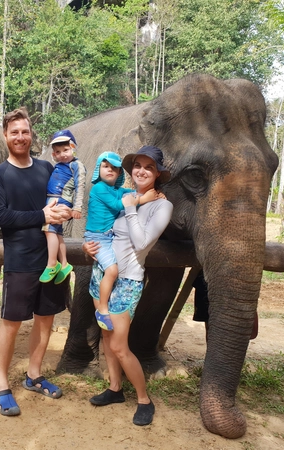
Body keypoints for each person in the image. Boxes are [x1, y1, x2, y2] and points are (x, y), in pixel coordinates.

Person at [0, 108, 72, 416]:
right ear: (5, 136)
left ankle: (34, 375)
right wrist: (41, 215)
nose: (20, 137)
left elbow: (59, 202)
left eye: (25, 131)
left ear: (31, 134)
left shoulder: (47, 169)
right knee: (10, 324)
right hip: (20, 261)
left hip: (51, 263)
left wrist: (63, 211)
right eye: (14, 132)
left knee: (45, 319)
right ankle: (1, 385)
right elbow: (0, 216)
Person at [83, 145, 173, 426]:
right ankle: (115, 388)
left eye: (149, 167)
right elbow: (105, 228)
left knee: (120, 345)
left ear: (158, 174)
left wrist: (132, 209)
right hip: (103, 273)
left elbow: (142, 242)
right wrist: (89, 246)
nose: (141, 171)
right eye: (137, 166)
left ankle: (144, 399)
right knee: (107, 336)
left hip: (127, 281)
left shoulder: (162, 206)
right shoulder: (124, 196)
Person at [85, 151, 160, 331]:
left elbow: (130, 193)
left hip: (107, 237)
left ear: (119, 173)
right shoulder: (99, 188)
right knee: (112, 270)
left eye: (114, 168)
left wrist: (151, 194)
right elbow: (120, 205)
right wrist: (144, 198)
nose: (110, 170)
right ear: (98, 169)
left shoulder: (116, 190)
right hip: (98, 237)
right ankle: (102, 308)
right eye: (105, 166)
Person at [40, 129, 86, 284]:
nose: (62, 154)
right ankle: (64, 264)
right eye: (58, 152)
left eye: (66, 150)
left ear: (73, 147)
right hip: (52, 199)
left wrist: (77, 207)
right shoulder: (59, 165)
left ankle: (52, 263)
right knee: (57, 233)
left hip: (60, 200)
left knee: (49, 230)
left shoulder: (77, 165)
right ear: (53, 154)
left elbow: (80, 186)